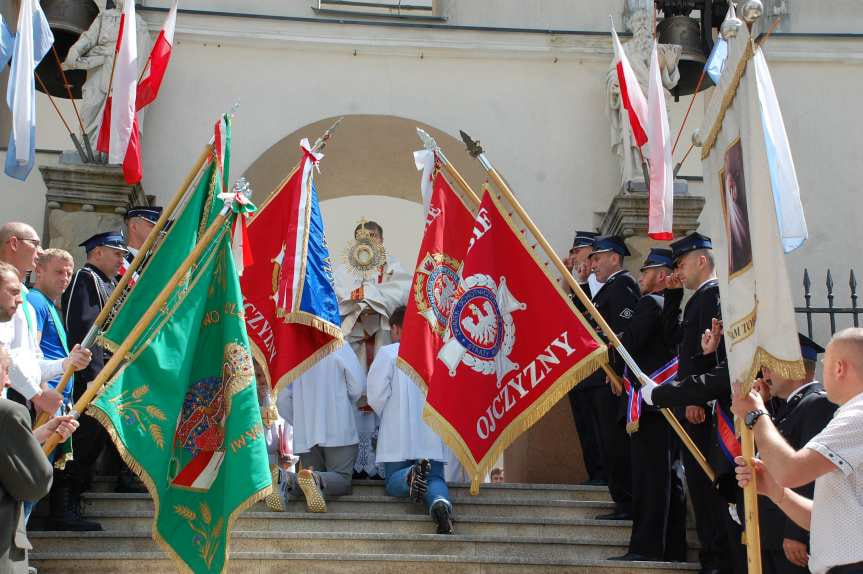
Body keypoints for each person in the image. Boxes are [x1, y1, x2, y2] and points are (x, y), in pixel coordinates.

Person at [732, 327, 863, 574]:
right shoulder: (848, 414)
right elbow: (828, 519)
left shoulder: (857, 414)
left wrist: (756, 415)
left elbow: (791, 471)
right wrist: (774, 490)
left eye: (825, 363)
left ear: (839, 368)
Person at [647, 231, 737, 574]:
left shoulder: (712, 297)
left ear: (701, 260)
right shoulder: (694, 299)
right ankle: (712, 558)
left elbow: (716, 358)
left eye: (681, 264)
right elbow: (677, 341)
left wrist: (698, 399)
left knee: (707, 490)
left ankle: (717, 561)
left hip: (701, 410)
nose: (678, 271)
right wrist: (671, 296)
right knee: (699, 490)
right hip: (691, 402)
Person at [608, 248, 687, 562]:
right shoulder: (667, 307)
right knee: (667, 478)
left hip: (651, 409)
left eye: (646, 271)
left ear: (661, 275)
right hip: (664, 404)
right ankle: (672, 547)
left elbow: (629, 347)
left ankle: (646, 547)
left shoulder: (650, 303)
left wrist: (612, 345)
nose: (639, 278)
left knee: (650, 480)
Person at [61, 231, 139, 534]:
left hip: (105, 373)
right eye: (116, 253)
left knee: (93, 439)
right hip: (90, 376)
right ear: (96, 253)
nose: (122, 259)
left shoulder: (107, 282)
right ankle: (63, 506)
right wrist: (94, 374)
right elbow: (84, 329)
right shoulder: (86, 278)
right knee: (82, 439)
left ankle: (74, 500)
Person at [752, 334, 837, 574]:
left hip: (790, 535)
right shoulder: (789, 407)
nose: (765, 375)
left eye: (771, 368)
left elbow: (811, 473)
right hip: (772, 531)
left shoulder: (817, 405)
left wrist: (796, 532)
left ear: (796, 369)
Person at [367, 305, 454, 534]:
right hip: (430, 434)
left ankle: (410, 477)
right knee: (434, 478)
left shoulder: (388, 354)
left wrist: (390, 413)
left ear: (396, 329)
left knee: (393, 482)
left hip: (398, 437)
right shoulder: (436, 353)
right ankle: (439, 503)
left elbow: (375, 396)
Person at [334, 220, 411, 479]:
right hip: (355, 342)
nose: (366, 240)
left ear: (381, 241)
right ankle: (354, 464)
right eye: (361, 236)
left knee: (382, 395)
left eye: (372, 235)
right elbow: (338, 294)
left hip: (382, 341)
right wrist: (360, 301)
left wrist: (370, 298)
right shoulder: (344, 270)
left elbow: (403, 292)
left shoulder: (393, 268)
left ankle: (381, 463)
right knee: (355, 397)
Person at [0, 223, 90, 415]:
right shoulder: (20, 297)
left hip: (24, 399)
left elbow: (31, 359)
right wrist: (38, 394)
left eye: (68, 273)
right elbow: (6, 353)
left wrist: (65, 363)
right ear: (14, 243)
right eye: (35, 243)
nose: (40, 251)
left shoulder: (24, 296)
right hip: (16, 396)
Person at [275, 343, 366, 513]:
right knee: (342, 479)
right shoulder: (338, 344)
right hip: (338, 426)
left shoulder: (293, 349)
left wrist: (301, 422)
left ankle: (286, 479)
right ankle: (315, 479)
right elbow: (357, 386)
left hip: (306, 433)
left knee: (307, 477)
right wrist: (344, 404)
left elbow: (282, 399)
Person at [586, 235, 640, 520]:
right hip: (600, 376)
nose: (592, 263)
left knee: (615, 444)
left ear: (615, 258)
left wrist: (618, 371)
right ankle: (621, 499)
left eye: (597, 257)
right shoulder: (609, 288)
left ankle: (627, 502)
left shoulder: (623, 285)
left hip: (612, 379)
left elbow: (626, 333)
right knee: (606, 443)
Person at [564, 230, 606, 486]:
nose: (573, 256)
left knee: (601, 428)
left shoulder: (601, 283)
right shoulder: (581, 283)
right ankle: (596, 472)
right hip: (580, 368)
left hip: (601, 372)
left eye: (576, 251)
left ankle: (604, 474)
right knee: (587, 428)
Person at [118, 206, 162, 282]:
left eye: (159, 227)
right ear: (134, 227)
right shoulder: (119, 263)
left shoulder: (156, 261)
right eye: (152, 226)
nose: (158, 231)